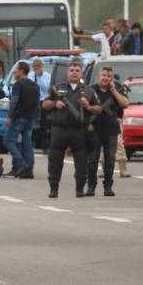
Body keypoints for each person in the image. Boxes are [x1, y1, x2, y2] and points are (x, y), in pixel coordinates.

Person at [43, 61, 101, 198]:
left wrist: (88, 107)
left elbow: (98, 109)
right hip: (59, 129)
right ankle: (53, 189)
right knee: (55, 160)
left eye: (77, 70)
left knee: (81, 161)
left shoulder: (88, 90)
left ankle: (80, 189)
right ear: (67, 73)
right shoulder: (57, 88)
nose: (74, 72)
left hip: (79, 130)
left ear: (81, 73)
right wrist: (54, 103)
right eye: (71, 70)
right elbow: (44, 104)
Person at [86, 67, 129, 197]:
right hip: (94, 128)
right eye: (104, 75)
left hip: (111, 129)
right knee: (92, 159)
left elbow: (125, 104)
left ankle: (108, 186)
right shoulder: (91, 90)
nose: (106, 78)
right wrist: (87, 124)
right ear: (99, 76)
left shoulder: (116, 89)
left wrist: (113, 90)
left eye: (108, 76)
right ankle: (91, 186)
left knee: (110, 159)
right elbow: (84, 108)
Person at [3, 61, 39, 178]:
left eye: (16, 69)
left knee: (8, 140)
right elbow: (37, 103)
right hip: (30, 117)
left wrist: (9, 115)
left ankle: (21, 164)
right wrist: (37, 118)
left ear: (22, 70)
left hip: (19, 117)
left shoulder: (18, 84)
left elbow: (14, 100)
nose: (14, 72)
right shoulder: (34, 85)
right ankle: (29, 168)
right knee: (27, 142)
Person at [28, 59, 51, 153]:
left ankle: (45, 145)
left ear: (41, 66)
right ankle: (32, 143)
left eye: (38, 66)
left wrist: (40, 77)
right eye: (34, 66)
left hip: (43, 101)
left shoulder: (47, 76)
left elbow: (46, 89)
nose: (36, 68)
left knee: (44, 123)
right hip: (34, 101)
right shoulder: (30, 75)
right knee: (33, 123)